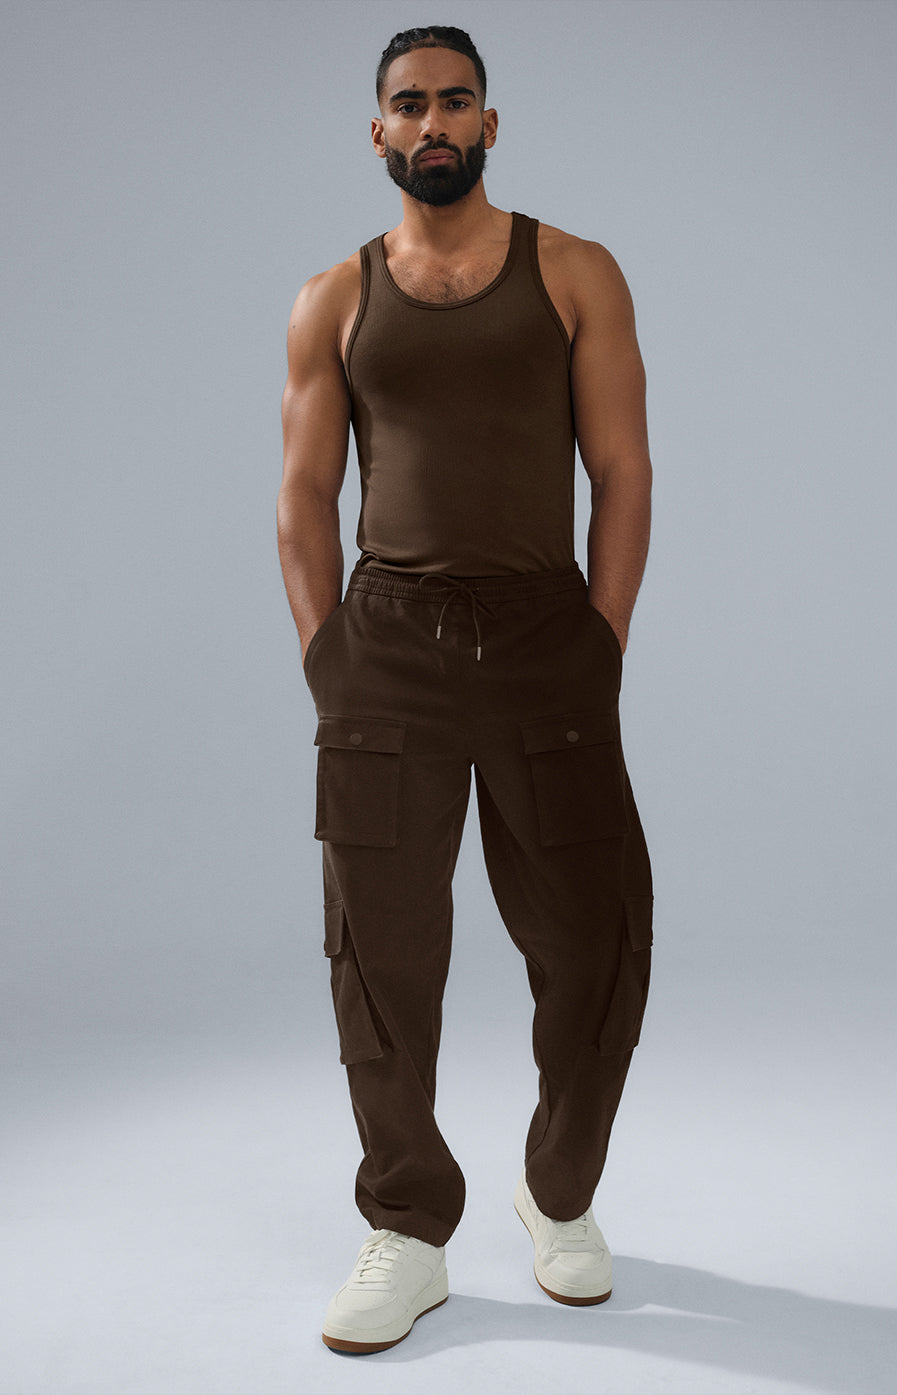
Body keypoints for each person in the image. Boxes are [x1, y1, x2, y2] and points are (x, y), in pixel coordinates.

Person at [277, 24, 654, 1355]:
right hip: (387, 645)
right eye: (408, 105)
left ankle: (559, 1192)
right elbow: (303, 497)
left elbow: (621, 471)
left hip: (546, 637)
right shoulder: (333, 297)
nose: (431, 122)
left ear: (490, 124)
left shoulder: (575, 271)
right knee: (378, 953)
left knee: (595, 937)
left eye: (454, 101)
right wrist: (328, 657)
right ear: (378, 132)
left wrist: (599, 639)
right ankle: (407, 1226)